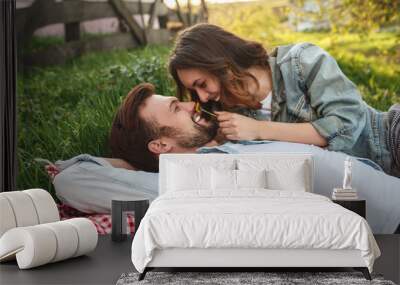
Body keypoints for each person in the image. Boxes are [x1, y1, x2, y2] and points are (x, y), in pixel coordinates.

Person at [50, 83, 400, 234]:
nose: (191, 103)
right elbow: (70, 179)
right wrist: (130, 164)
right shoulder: (184, 183)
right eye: (176, 108)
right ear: (159, 146)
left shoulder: (229, 146)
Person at [168, 23, 400, 177]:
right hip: (366, 186)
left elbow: (346, 126)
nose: (202, 97)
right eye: (194, 91)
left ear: (222, 63)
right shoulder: (233, 119)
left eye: (201, 84)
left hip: (390, 139)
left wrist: (261, 129)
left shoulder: (300, 62)